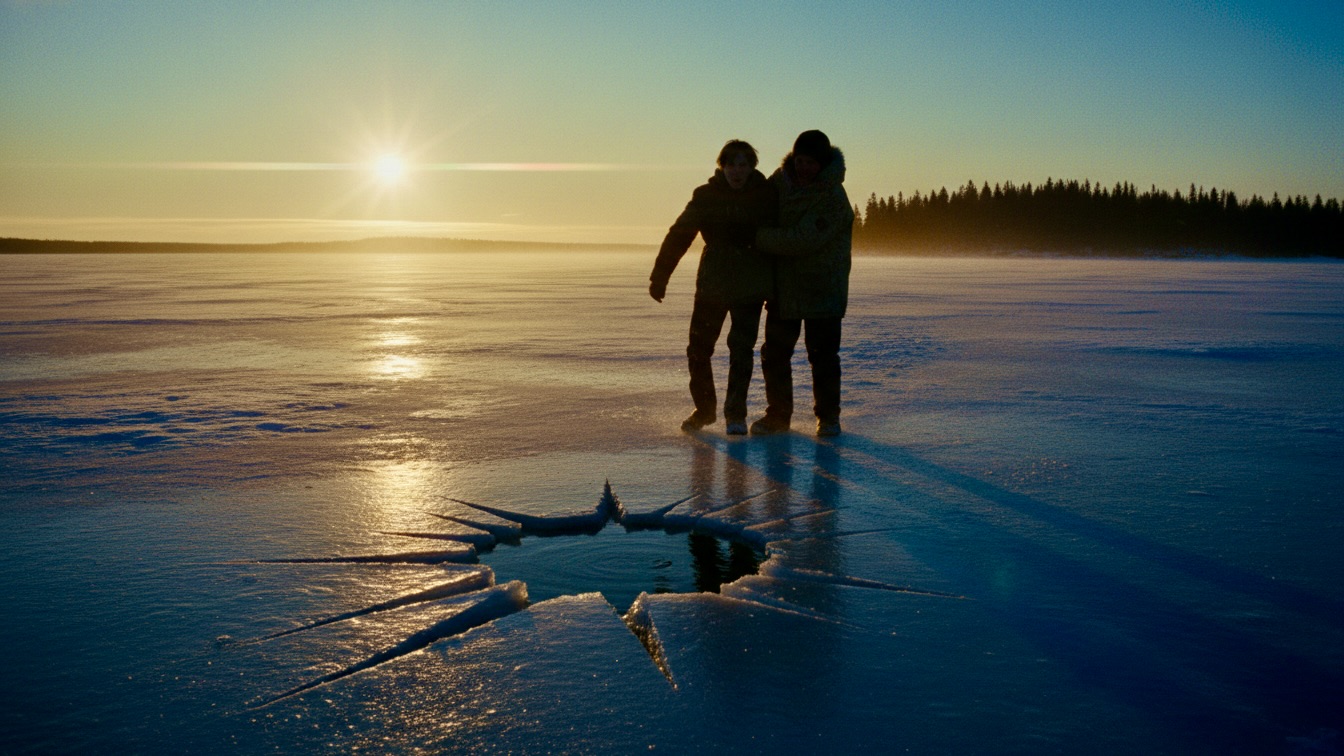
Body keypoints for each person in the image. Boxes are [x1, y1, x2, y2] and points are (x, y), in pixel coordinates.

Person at [649, 139, 776, 435]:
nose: (736, 171)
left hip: (750, 286)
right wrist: (660, 275)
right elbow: (680, 234)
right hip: (712, 286)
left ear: (751, 167)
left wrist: (774, 285)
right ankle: (704, 410)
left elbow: (779, 240)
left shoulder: (765, 196)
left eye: (743, 165)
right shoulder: (706, 196)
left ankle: (735, 415)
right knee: (698, 349)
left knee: (741, 350)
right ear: (722, 166)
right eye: (731, 164)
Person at [750, 130, 853, 437]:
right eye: (800, 161)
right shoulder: (780, 183)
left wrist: (755, 238)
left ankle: (828, 417)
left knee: (823, 357)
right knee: (775, 354)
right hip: (785, 287)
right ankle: (778, 415)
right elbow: (756, 204)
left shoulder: (833, 197)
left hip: (823, 288)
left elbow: (803, 240)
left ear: (822, 163)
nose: (804, 168)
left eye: (811, 162)